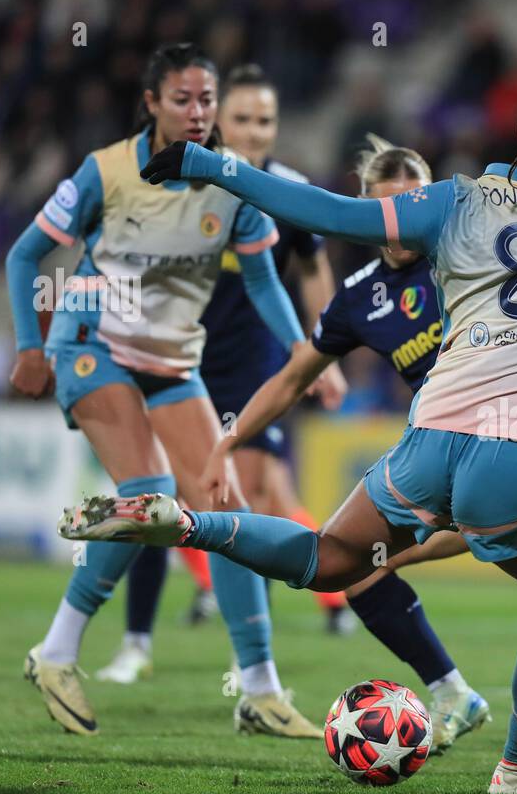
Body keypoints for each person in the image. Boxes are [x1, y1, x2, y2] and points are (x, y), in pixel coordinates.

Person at [64, 19, 517, 794]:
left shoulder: (452, 200)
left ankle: (186, 525)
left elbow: (323, 211)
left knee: (327, 557)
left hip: (429, 442)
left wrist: (213, 163)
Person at [6, 43, 321, 738]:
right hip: (91, 346)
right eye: (182, 99)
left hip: (173, 362)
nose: (197, 112)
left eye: (205, 100)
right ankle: (57, 651)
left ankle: (260, 690)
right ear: (151, 103)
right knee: (150, 486)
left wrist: (303, 347)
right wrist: (31, 345)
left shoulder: (230, 182)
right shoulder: (106, 172)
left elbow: (267, 276)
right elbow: (25, 252)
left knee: (223, 506)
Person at [96, 64, 351, 688]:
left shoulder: (287, 191)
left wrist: (323, 352)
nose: (254, 131)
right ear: (214, 122)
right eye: (241, 119)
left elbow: (314, 270)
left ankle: (274, 640)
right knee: (156, 493)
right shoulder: (181, 181)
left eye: (264, 120)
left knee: (253, 494)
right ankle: (136, 641)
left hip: (258, 362)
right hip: (179, 356)